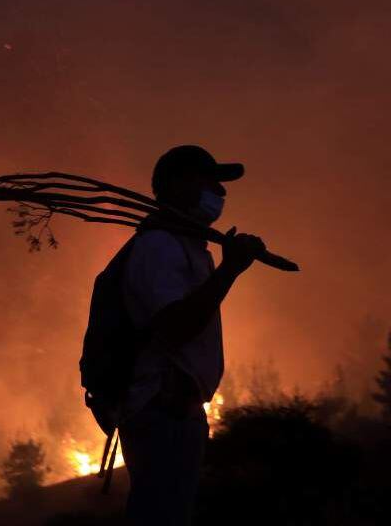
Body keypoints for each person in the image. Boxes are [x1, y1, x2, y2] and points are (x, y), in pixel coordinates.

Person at [117, 144, 267, 525]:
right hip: (161, 409)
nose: (220, 193)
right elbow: (174, 326)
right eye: (209, 181)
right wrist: (229, 270)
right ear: (176, 185)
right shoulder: (159, 247)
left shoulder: (190, 247)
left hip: (179, 412)